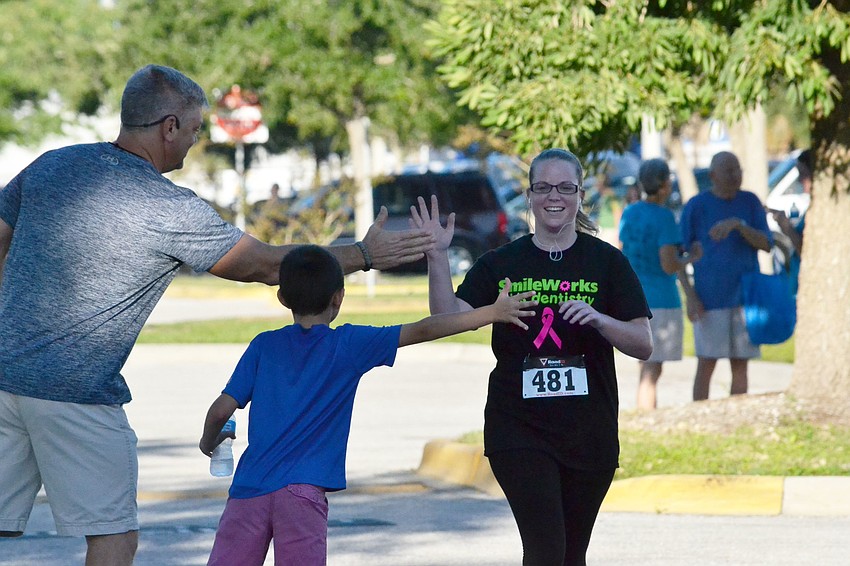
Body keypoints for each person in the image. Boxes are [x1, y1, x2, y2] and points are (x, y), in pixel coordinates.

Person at [0, 64, 433, 565]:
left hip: (3, 377)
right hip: (76, 394)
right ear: (168, 127)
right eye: (194, 128)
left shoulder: (54, 165)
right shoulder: (168, 209)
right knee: (112, 535)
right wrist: (363, 254)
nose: (194, 140)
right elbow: (269, 267)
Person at [199, 244, 537, 566]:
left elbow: (220, 410)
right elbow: (425, 328)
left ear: (282, 297)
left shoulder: (264, 345)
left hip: (249, 489)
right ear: (338, 298)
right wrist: (492, 312)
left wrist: (207, 442)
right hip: (303, 493)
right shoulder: (349, 344)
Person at [412, 148, 653, 566]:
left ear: (580, 195)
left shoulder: (606, 263)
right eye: (543, 187)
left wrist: (599, 319)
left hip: (589, 431)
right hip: (519, 429)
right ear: (529, 196)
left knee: (571, 553)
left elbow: (642, 342)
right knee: (546, 550)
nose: (553, 196)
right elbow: (447, 317)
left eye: (564, 187)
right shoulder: (501, 263)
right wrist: (437, 257)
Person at [680, 151, 772, 401]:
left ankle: (736, 412)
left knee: (741, 362)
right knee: (707, 362)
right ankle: (700, 413)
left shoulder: (750, 202)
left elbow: (766, 244)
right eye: (728, 171)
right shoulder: (697, 206)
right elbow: (679, 256)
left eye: (738, 170)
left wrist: (739, 225)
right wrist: (690, 296)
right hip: (709, 298)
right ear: (712, 176)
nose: (735, 176)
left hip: (746, 297)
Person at [619, 158, 702, 411]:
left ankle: (645, 413)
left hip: (633, 296)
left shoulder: (630, 211)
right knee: (652, 370)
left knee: (645, 366)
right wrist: (691, 257)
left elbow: (622, 251)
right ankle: (647, 416)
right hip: (661, 299)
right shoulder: (665, 217)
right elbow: (668, 264)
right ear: (665, 184)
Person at [768, 149, 811, 295]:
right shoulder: (812, 208)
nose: (800, 181)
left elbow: (807, 251)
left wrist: (786, 227)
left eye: (803, 175)